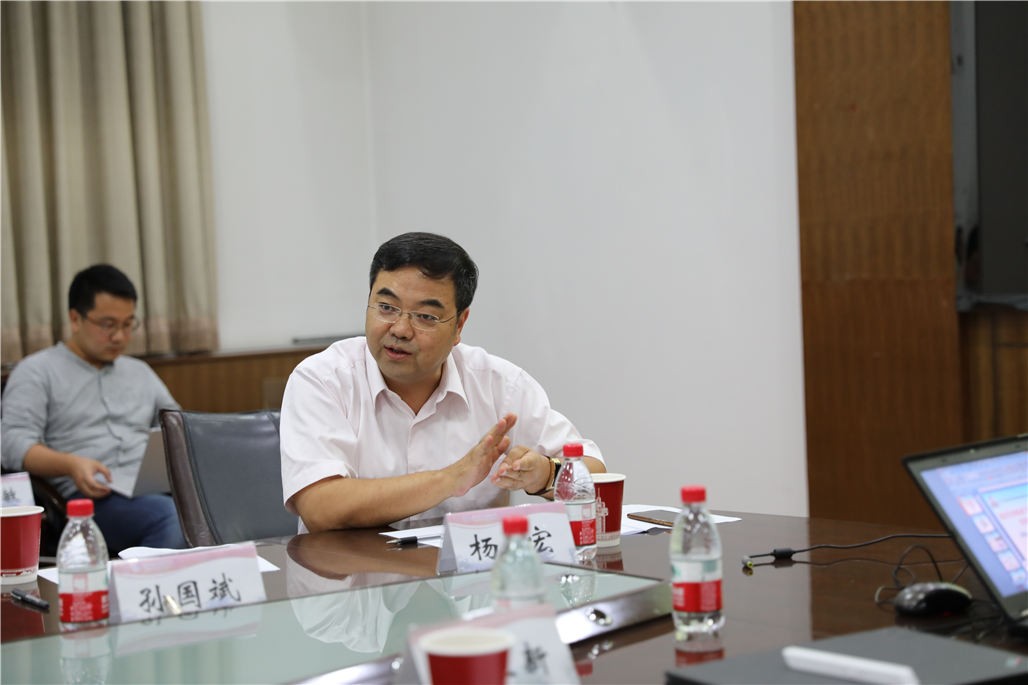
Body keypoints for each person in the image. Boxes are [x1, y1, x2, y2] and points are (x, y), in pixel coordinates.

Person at [281, 232, 605, 532]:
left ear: (460, 324)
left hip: (465, 576)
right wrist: (452, 478)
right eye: (387, 308)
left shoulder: (500, 385)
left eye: (425, 316)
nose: (400, 329)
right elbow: (320, 507)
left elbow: (596, 476)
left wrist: (546, 475)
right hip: (353, 575)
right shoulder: (323, 380)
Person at [1, 264, 186, 553]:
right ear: (75, 319)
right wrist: (71, 465)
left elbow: (179, 426)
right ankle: (140, 582)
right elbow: (13, 444)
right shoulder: (37, 372)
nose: (120, 337)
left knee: (224, 503)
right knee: (171, 519)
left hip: (156, 488)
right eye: (108, 325)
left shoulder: (140, 372)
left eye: (128, 324)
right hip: (91, 500)